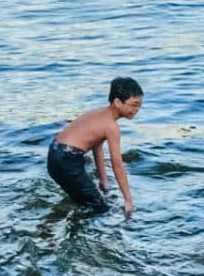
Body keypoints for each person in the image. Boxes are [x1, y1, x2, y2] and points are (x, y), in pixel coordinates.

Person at [48, 77, 143, 215]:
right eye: (134, 105)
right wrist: (128, 200)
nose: (137, 109)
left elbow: (96, 146)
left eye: (140, 105)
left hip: (56, 153)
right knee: (100, 208)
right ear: (117, 102)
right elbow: (117, 164)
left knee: (82, 200)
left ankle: (61, 216)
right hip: (67, 159)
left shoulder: (99, 114)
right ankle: (63, 225)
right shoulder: (112, 126)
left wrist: (103, 180)